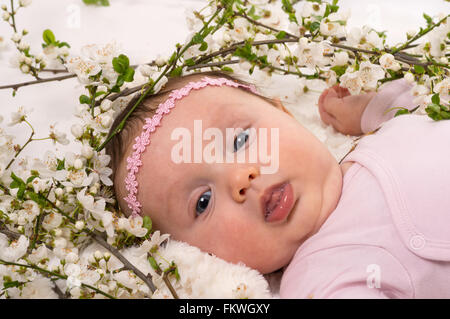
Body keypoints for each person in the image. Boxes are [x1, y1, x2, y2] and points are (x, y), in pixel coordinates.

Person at [106, 71, 450, 298]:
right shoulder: (322, 278)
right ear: (196, 254)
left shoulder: (380, 134)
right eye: (203, 201)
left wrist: (364, 110)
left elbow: (429, 99)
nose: (241, 177)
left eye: (240, 139)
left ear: (286, 114)